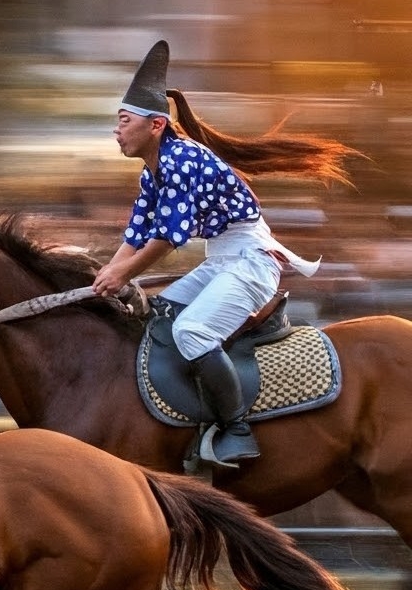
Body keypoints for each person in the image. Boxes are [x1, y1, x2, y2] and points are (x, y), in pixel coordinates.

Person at [90, 40, 353, 468]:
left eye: (123, 121)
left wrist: (122, 276)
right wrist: (106, 275)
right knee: (159, 316)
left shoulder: (180, 159)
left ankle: (237, 428)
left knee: (192, 331)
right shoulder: (153, 172)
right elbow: (136, 235)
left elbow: (168, 237)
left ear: (156, 125)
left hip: (252, 263)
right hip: (221, 263)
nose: (116, 131)